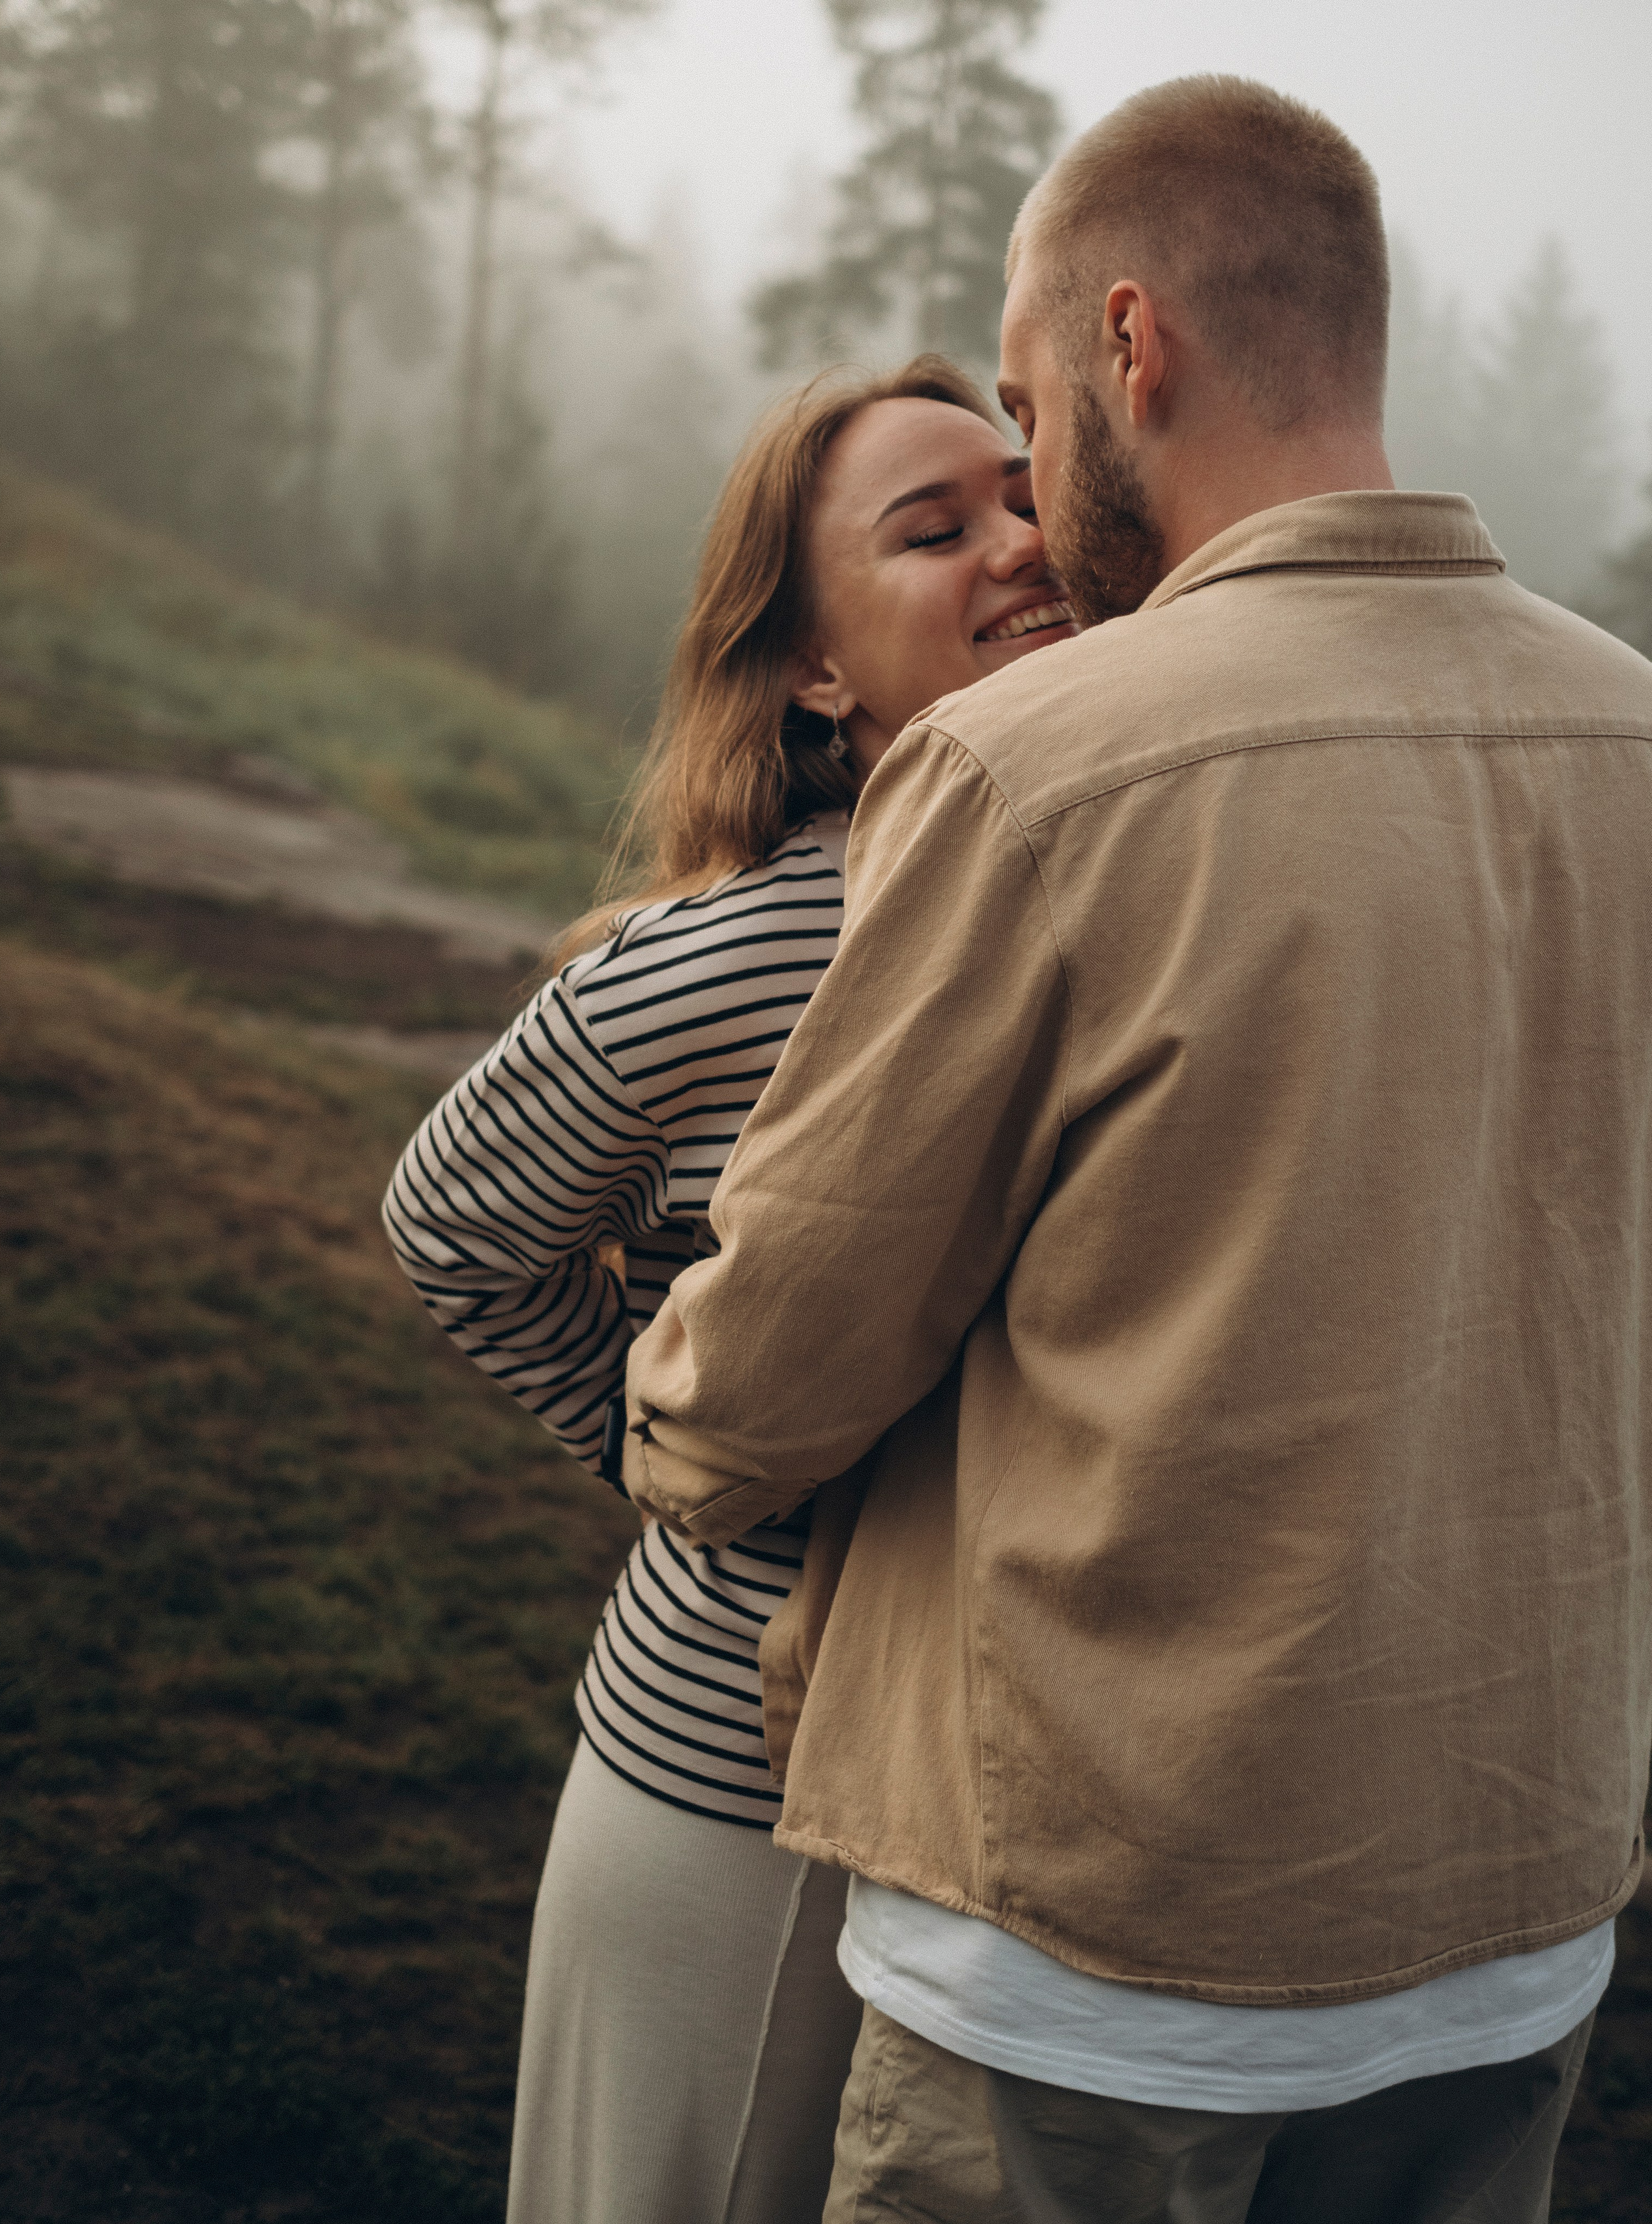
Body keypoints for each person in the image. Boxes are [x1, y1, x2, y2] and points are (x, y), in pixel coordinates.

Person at [619, 76, 1652, 2224]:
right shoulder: (1632, 739)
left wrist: (666, 1414)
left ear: (1129, 347)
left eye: (1025, 392)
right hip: (1516, 1916)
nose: (1027, 477)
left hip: (1095, 1959)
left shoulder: (1036, 768)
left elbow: (781, 1361)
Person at [381, 354, 1077, 2224]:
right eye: (933, 529)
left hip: (1030, 1838)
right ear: (818, 675)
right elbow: (456, 1226)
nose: (1016, 542)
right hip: (733, 1798)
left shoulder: (1154, 883)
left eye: (1027, 494)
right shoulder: (729, 959)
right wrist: (679, 1460)